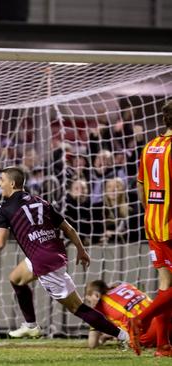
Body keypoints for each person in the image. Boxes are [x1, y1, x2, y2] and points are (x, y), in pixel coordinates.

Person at [0, 167, 131, 348]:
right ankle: (30, 325)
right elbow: (68, 229)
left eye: (2, 180)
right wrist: (80, 249)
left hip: (44, 261)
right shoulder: (41, 201)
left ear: (12, 183)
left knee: (78, 308)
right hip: (51, 252)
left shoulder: (5, 208)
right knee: (15, 279)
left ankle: (124, 336)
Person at [131, 100, 172, 357]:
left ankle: (163, 346)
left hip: (152, 222)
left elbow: (140, 186)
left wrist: (151, 211)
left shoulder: (150, 146)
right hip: (171, 225)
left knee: (166, 285)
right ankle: (139, 320)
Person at [85, 280, 171, 350]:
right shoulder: (126, 286)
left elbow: (92, 344)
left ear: (95, 295)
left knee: (134, 339)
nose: (89, 304)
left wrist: (100, 340)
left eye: (88, 300)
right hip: (165, 319)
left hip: (152, 333)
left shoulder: (98, 308)